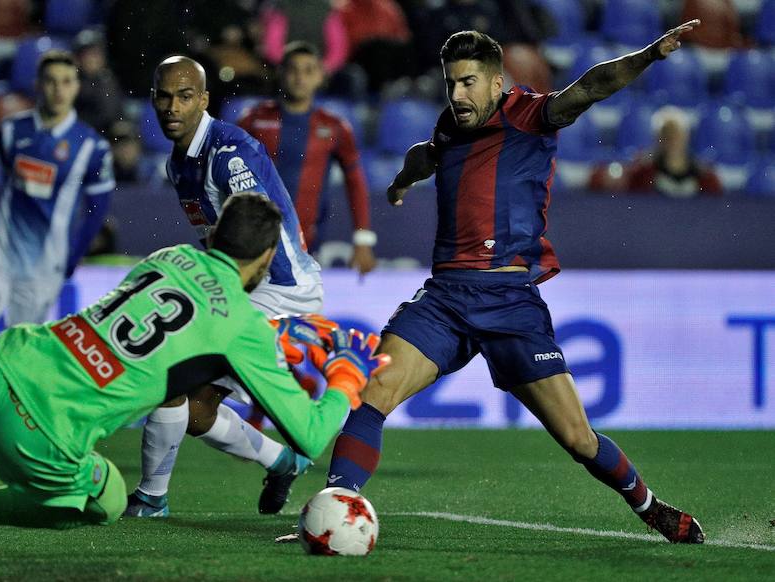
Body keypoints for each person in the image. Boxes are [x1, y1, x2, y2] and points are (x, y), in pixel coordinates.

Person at [315, 24, 707, 544]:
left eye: (469, 83)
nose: (457, 95)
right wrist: (403, 180)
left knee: (578, 438)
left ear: (497, 83)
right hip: (447, 299)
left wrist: (651, 54)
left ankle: (649, 506)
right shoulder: (450, 124)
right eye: (451, 83)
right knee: (371, 394)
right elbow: (426, 152)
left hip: (509, 301)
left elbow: (592, 85)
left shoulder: (531, 116)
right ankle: (333, 511)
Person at [0, 193, 389, 561]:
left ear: (213, 235)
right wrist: (346, 375)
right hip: (45, 425)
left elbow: (170, 329)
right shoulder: (241, 327)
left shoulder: (169, 257)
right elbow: (312, 433)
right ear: (267, 258)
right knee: (106, 501)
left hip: (2, 358)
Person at [125, 56, 327, 519]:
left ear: (204, 100)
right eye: (163, 96)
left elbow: (259, 236)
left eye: (185, 96)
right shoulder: (180, 163)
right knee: (195, 413)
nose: (172, 107)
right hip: (243, 290)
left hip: (278, 292)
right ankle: (283, 461)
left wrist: (212, 296)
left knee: (170, 373)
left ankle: (152, 497)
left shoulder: (229, 154)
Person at [0, 50, 115, 349]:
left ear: (77, 87)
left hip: (45, 265)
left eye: (67, 82)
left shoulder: (92, 147)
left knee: (18, 350)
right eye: (51, 81)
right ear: (38, 86)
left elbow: (98, 208)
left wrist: (72, 256)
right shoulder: (11, 131)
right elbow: (8, 180)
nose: (59, 90)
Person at [238, 41, 377, 275]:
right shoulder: (252, 121)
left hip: (307, 244)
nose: (299, 77)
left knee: (300, 312)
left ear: (320, 76)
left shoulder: (334, 127)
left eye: (308, 70)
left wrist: (363, 239)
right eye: (293, 69)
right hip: (253, 242)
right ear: (280, 74)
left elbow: (355, 182)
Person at [589, 105, 723, 197]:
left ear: (685, 137)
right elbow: (604, 181)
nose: (671, 140)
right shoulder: (643, 171)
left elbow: (714, 201)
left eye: (676, 134)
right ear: (657, 138)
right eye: (666, 134)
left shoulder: (703, 175)